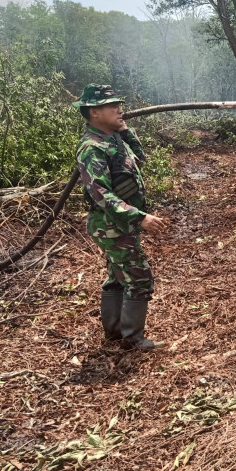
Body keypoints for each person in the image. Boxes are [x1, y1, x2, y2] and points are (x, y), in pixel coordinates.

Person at [74, 84, 167, 349]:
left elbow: (140, 158)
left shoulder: (113, 137)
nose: (119, 110)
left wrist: (126, 131)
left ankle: (115, 332)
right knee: (139, 277)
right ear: (94, 112)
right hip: (110, 225)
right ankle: (133, 338)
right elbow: (100, 194)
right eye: (112, 106)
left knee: (117, 276)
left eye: (119, 104)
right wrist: (139, 217)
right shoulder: (92, 147)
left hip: (118, 224)